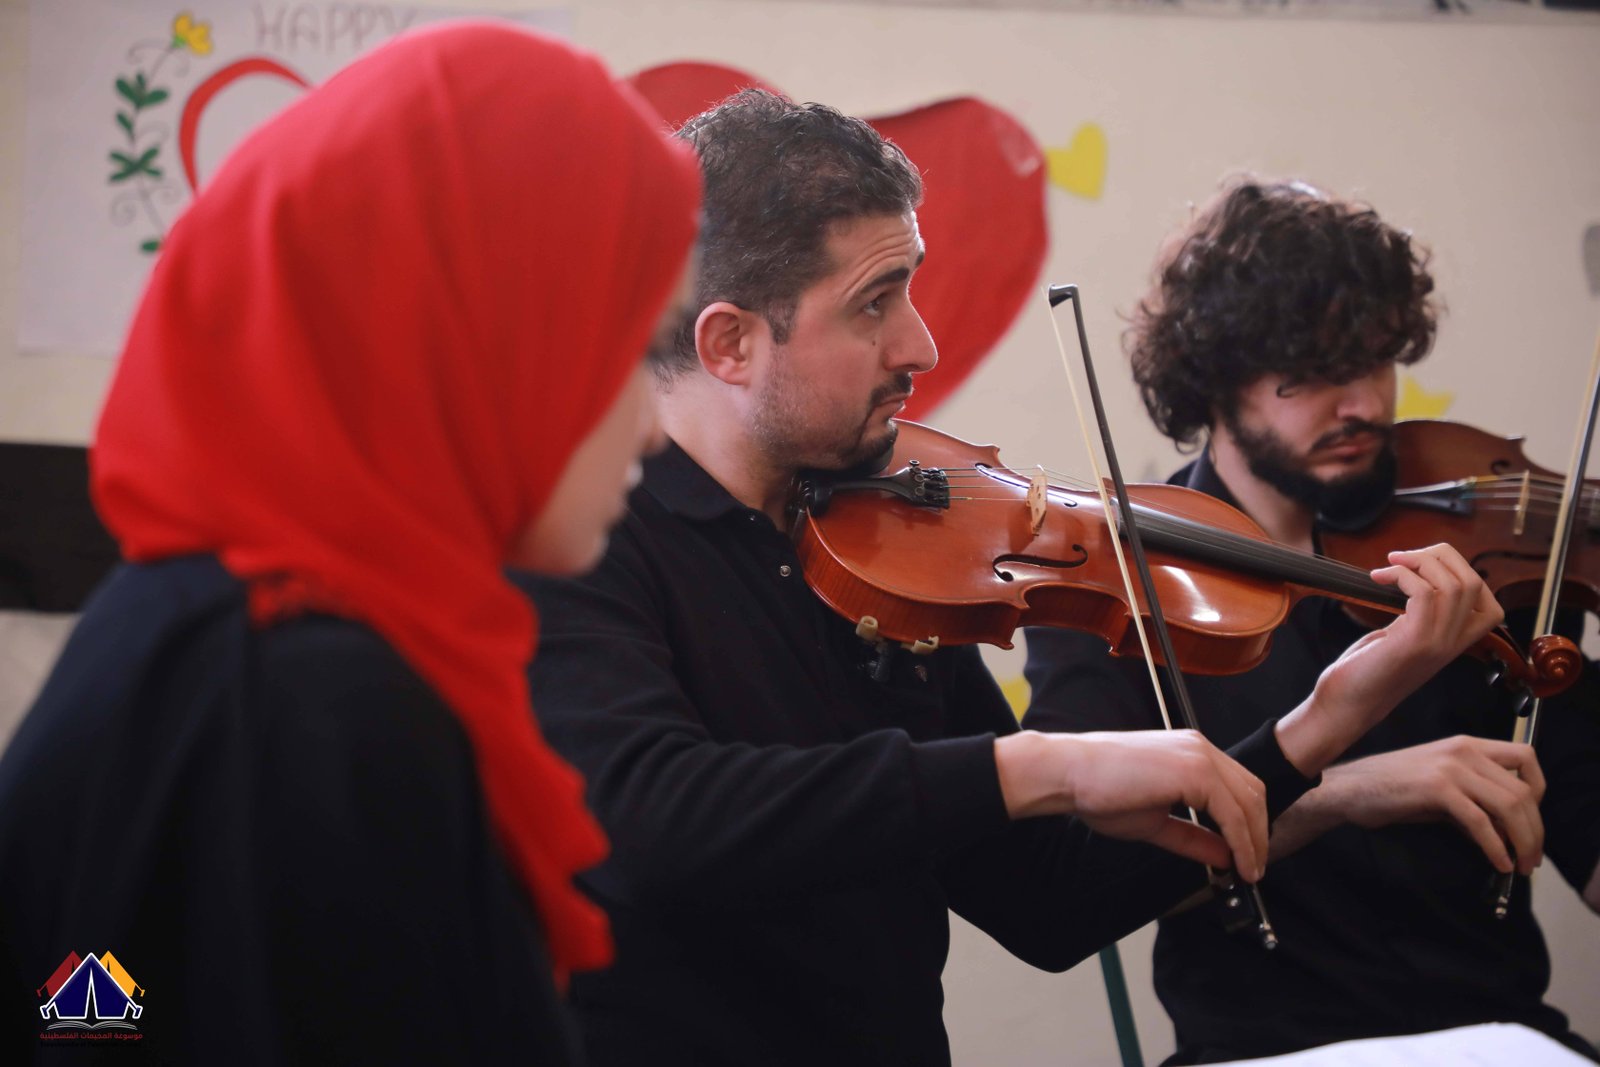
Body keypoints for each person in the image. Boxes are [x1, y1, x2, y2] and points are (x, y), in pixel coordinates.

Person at [516, 92, 1507, 1066]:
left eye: (909, 288)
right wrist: (1037, 767)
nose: (920, 344)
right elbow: (645, 819)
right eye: (873, 302)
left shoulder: (890, 548)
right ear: (729, 342)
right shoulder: (576, 539)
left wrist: (1323, 721)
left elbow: (1050, 903)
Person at [0, 23, 699, 1064]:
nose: (653, 427)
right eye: (636, 345)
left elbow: (96, 1006)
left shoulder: (204, 625)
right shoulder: (314, 705)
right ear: (480, 326)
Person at [1024, 177, 1600, 1063]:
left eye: (1373, 361)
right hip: (1261, 1051)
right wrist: (1346, 792)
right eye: (1309, 377)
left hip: (1502, 1040)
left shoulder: (1490, 563)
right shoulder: (1115, 585)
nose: (1362, 405)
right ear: (1213, 382)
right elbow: (1087, 887)